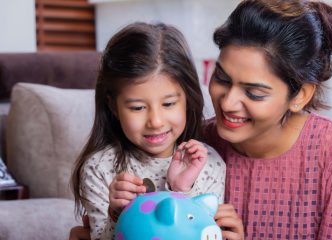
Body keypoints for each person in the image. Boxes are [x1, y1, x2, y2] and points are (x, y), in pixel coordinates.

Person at [70, 0, 332, 239]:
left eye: (255, 92)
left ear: (301, 96)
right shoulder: (193, 147)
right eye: (221, 77)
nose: (227, 102)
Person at [69, 22, 227, 240]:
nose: (155, 121)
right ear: (114, 106)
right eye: (137, 108)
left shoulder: (209, 164)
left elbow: (207, 233)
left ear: (188, 99)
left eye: (169, 104)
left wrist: (181, 190)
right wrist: (116, 214)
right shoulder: (100, 168)